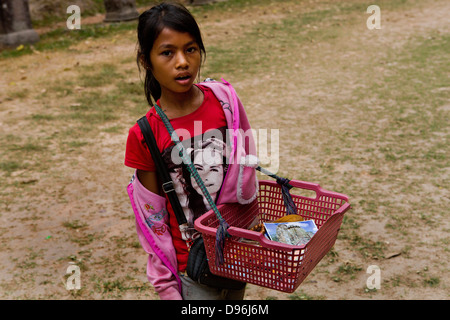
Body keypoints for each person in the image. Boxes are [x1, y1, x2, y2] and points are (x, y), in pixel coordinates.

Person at [124, 2, 258, 300]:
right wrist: (165, 286)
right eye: (167, 52)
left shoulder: (225, 103)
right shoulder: (145, 134)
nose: (182, 62)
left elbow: (243, 171)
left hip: (235, 255)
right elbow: (152, 220)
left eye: (191, 49)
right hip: (192, 270)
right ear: (147, 60)